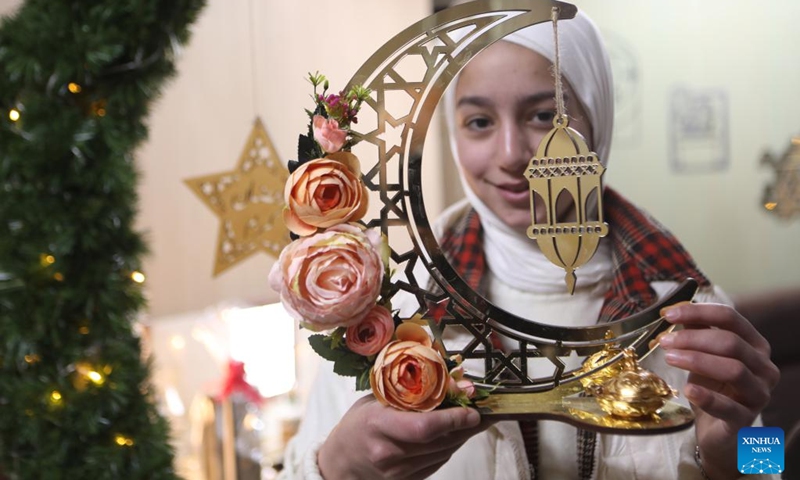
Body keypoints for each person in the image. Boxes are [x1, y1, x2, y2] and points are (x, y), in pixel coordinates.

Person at [278, 10, 779, 480]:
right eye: (479, 122)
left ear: (597, 118)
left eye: (543, 116)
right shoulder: (393, 307)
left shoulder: (689, 304)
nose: (511, 155)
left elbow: (768, 462)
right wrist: (337, 465)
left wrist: (731, 455)